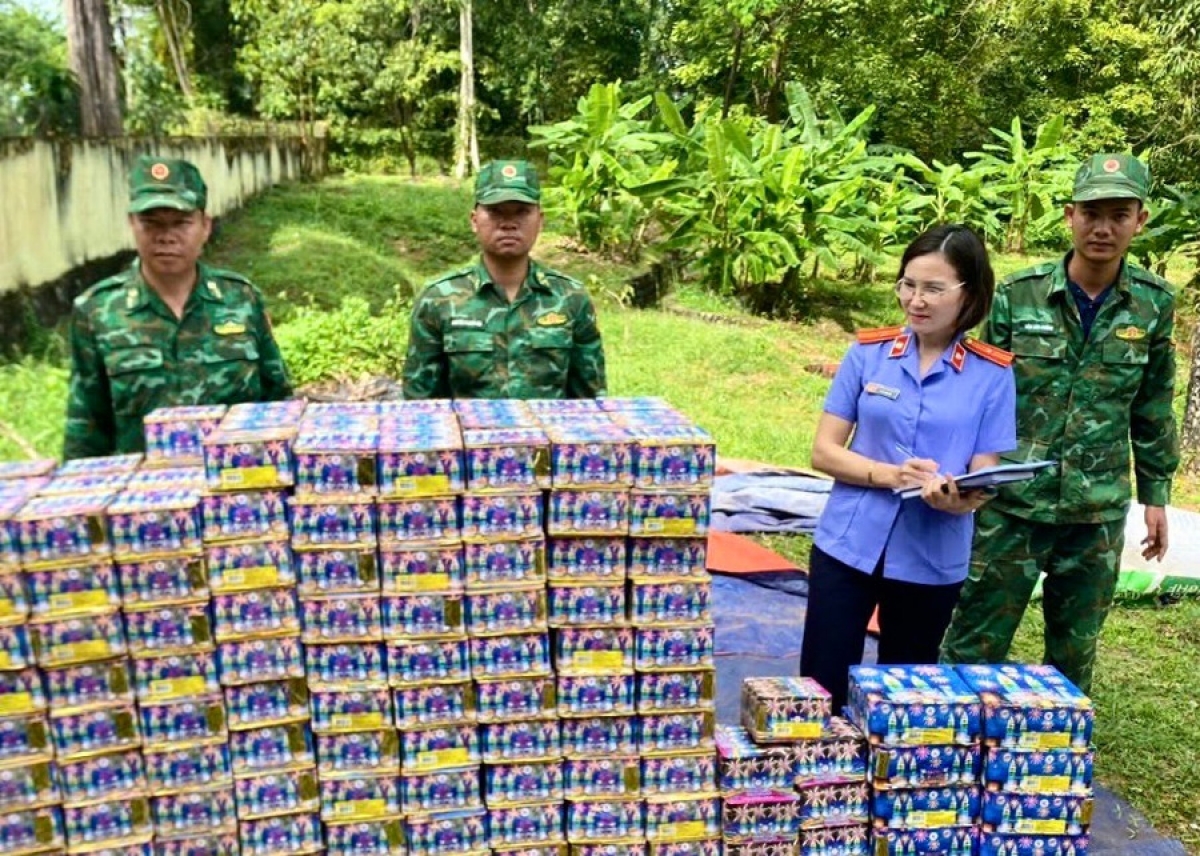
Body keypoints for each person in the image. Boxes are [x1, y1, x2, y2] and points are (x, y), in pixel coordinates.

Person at [940, 154, 1178, 694]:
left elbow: (1153, 406)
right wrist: (963, 476)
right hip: (1011, 504)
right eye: (1091, 213)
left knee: (1073, 653)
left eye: (1118, 215)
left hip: (1096, 512)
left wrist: (1156, 496)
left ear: (1140, 221)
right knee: (974, 643)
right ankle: (951, 737)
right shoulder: (1017, 294)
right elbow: (976, 393)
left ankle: (1056, 743)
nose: (1102, 228)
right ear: (1070, 215)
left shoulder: (1153, 305)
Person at [799, 224, 1017, 712]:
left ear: (969, 294)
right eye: (908, 285)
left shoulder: (993, 374)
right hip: (847, 544)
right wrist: (890, 475)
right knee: (821, 688)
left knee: (904, 701)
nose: (916, 300)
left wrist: (958, 499)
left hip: (931, 555)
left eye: (934, 289)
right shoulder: (868, 353)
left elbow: (985, 475)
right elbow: (824, 451)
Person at [63, 156, 293, 459]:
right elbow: (86, 429)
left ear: (205, 226)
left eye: (181, 223)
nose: (166, 237)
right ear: (132, 224)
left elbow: (278, 403)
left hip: (236, 481)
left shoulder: (241, 299)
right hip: (147, 484)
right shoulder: (98, 312)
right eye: (151, 223)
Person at [402, 159, 606, 400]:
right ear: (474, 220)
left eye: (522, 211)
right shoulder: (439, 299)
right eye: (495, 211)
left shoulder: (570, 298)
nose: (508, 223)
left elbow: (590, 402)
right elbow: (419, 403)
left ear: (540, 221)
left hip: (547, 426)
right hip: (467, 426)